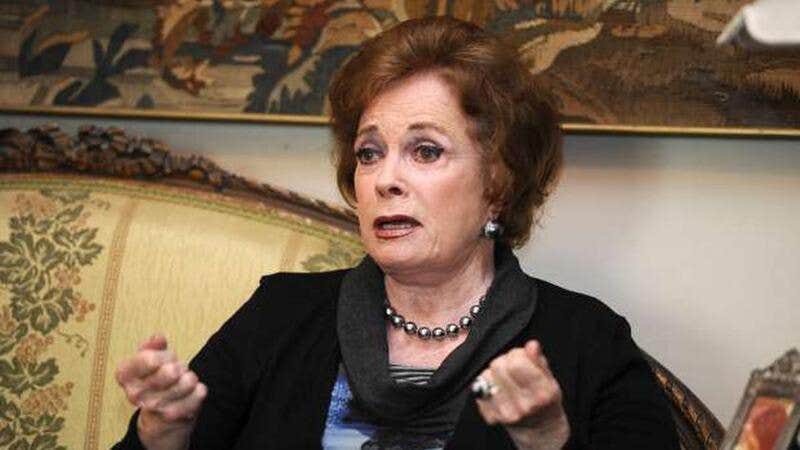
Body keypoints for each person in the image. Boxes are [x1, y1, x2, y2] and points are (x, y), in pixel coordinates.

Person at [113, 16, 679, 450]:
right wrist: (162, 435)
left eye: (425, 151)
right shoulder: (279, 315)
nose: (385, 180)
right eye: (369, 153)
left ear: (499, 184)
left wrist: (548, 441)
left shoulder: (586, 341)